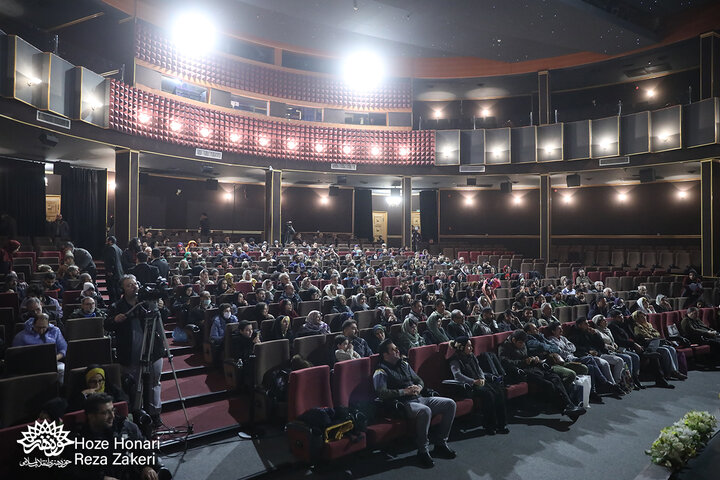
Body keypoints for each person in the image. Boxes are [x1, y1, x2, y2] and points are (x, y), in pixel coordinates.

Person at [373, 339, 457, 468]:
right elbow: (381, 392)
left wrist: (418, 387)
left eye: (397, 348)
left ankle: (441, 443)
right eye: (393, 349)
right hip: (404, 403)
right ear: (385, 355)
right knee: (425, 411)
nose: (397, 350)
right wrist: (404, 391)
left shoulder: (404, 364)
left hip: (420, 398)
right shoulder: (381, 371)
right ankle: (423, 450)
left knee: (450, 404)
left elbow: (419, 380)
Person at [105, 274, 165, 426]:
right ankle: (138, 414)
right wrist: (115, 320)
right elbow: (107, 325)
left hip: (153, 350)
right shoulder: (117, 306)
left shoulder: (147, 302)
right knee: (134, 386)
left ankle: (155, 414)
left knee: (154, 382)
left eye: (135, 284)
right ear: (123, 289)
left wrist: (161, 308)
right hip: (130, 353)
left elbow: (165, 317)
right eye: (129, 285)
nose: (134, 287)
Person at [70, 393, 165, 480]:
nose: (112, 416)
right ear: (91, 416)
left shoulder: (127, 427)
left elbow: (145, 451)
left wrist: (147, 466)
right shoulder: (80, 439)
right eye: (105, 413)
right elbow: (75, 472)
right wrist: (101, 478)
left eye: (112, 410)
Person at [498, 330, 586, 419]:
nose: (522, 345)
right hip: (519, 372)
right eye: (520, 343)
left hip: (532, 367)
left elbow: (527, 355)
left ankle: (569, 404)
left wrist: (535, 359)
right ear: (513, 340)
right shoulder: (504, 347)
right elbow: (505, 363)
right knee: (549, 384)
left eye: (523, 343)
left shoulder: (523, 343)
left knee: (555, 377)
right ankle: (566, 408)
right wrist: (523, 362)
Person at [448, 336, 508, 434]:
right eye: (468, 346)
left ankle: (501, 424)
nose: (471, 348)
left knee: (498, 390)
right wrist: (473, 381)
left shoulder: (471, 356)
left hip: (479, 382)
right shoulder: (454, 360)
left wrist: (482, 378)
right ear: (461, 347)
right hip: (467, 387)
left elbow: (479, 369)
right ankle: (490, 425)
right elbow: (457, 376)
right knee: (488, 394)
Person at [632, 310, 687, 381]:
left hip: (655, 343)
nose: (644, 318)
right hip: (647, 346)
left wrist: (652, 336)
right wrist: (653, 336)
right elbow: (644, 336)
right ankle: (671, 372)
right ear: (637, 318)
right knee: (665, 350)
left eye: (644, 316)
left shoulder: (649, 325)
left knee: (671, 348)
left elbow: (657, 334)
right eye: (641, 317)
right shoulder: (637, 327)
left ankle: (675, 371)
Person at [12, 313, 67, 383]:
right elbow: (15, 355)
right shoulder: (21, 336)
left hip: (51, 362)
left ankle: (59, 391)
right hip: (30, 365)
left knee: (62, 368)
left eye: (44, 327)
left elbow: (63, 348)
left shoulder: (55, 331)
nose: (41, 331)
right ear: (33, 324)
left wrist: (54, 358)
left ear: (48, 324)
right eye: (38, 327)